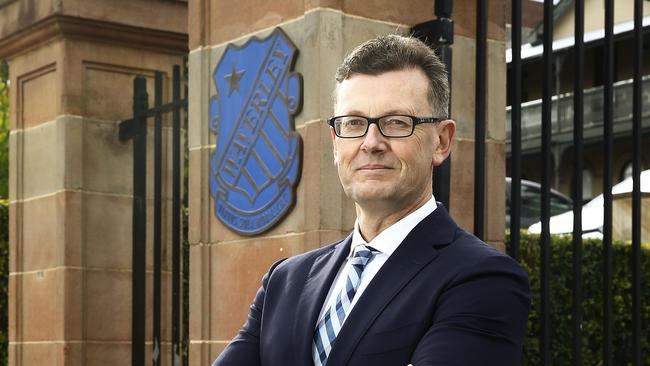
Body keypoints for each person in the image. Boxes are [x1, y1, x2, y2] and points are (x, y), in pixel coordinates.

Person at [213, 34, 531, 366]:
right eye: (354, 123)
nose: (371, 142)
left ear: (441, 142)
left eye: (396, 122)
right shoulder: (284, 281)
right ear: (336, 144)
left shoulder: (483, 280)